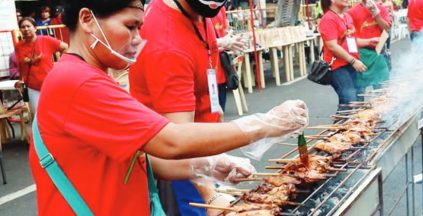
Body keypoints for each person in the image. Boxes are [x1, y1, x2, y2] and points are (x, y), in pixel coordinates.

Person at [30, 0, 308, 215]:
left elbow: (140, 157)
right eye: (130, 27)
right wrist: (265, 124)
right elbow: (172, 140)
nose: (138, 39)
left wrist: (207, 165)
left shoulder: (91, 76)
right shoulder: (77, 82)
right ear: (87, 20)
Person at [129, 0, 248, 215]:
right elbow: (180, 143)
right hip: (181, 167)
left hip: (202, 150)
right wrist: (209, 194)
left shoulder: (198, 12)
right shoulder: (165, 42)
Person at [319, 0, 368, 110]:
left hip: (352, 63)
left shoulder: (347, 17)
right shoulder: (328, 19)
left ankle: (357, 125)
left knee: (359, 96)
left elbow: (351, 40)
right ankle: (341, 126)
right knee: (349, 99)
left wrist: (369, 41)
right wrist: (353, 61)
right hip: (337, 66)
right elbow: (332, 46)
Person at [14, 17, 68, 112]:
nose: (26, 29)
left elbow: (65, 47)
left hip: (50, 84)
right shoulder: (18, 46)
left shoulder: (45, 40)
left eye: (28, 26)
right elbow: (21, 65)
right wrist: (20, 80)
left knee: (55, 112)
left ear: (35, 28)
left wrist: (61, 65)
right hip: (32, 86)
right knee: (38, 115)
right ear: (20, 30)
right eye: (23, 27)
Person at [347, 0, 390, 93]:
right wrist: (353, 60)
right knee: (359, 93)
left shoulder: (381, 8)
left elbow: (387, 29)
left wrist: (376, 14)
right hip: (361, 56)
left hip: (379, 54)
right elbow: (349, 39)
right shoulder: (352, 12)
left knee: (382, 91)